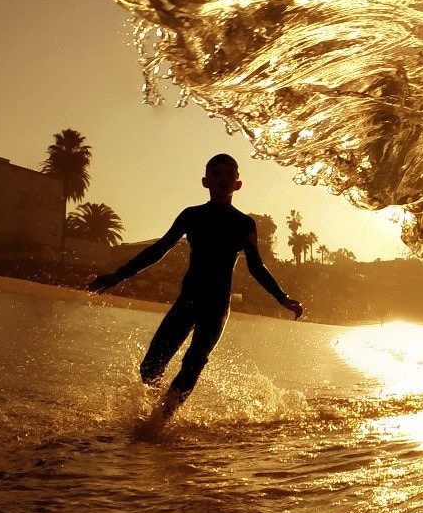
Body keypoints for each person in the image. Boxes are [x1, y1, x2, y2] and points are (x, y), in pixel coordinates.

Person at [88, 154, 303, 419]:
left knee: (193, 363)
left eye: (229, 174)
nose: (223, 178)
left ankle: (160, 421)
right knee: (150, 368)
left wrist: (282, 298)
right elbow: (159, 249)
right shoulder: (192, 216)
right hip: (188, 300)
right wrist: (118, 275)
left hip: (217, 306)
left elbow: (256, 266)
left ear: (238, 183)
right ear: (206, 181)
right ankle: (149, 412)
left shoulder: (244, 224)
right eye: (217, 173)